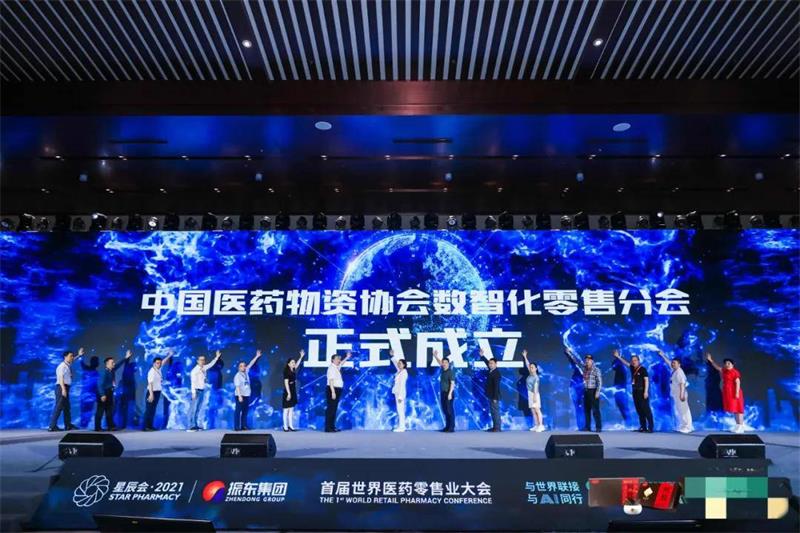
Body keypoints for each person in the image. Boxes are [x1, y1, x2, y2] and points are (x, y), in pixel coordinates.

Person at [612, 350, 654, 433]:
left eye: (635, 360)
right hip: (635, 392)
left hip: (642, 391)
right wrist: (618, 357)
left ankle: (650, 427)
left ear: (638, 361)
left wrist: (645, 392)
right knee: (639, 410)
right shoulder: (633, 369)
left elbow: (646, 380)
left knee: (646, 409)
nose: (633, 362)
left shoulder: (642, 369)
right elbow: (626, 363)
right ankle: (643, 427)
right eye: (632, 360)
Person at [706, 352, 745, 433]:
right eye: (726, 363)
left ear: (732, 364)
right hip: (728, 392)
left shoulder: (735, 372)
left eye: (729, 363)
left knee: (738, 409)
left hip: (734, 392)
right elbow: (717, 367)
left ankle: (741, 426)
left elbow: (738, 382)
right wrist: (710, 360)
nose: (727, 365)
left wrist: (737, 393)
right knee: (734, 409)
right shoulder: (724, 371)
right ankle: (737, 425)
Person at [565, 347, 602, 432]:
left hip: (593, 390)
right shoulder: (584, 368)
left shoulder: (596, 370)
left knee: (595, 410)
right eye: (586, 360)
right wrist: (569, 354)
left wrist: (598, 392)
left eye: (589, 360)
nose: (587, 361)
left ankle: (598, 427)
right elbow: (576, 362)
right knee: (587, 410)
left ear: (592, 361)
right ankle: (587, 427)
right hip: (585, 391)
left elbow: (599, 382)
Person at [95, 350, 133, 431]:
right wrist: (102, 394)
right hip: (103, 393)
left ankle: (110, 426)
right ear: (107, 364)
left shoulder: (111, 370)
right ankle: (97, 427)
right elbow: (100, 384)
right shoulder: (103, 372)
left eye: (113, 362)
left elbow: (119, 364)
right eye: (112, 362)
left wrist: (126, 358)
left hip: (109, 392)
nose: (114, 363)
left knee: (109, 410)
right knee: (100, 410)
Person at [48, 347, 84, 431]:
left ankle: (68, 425)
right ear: (65, 357)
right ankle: (52, 426)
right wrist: (63, 389)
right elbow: (60, 378)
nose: (72, 357)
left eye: (72, 356)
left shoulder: (67, 365)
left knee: (67, 408)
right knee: (59, 407)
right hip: (61, 387)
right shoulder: (62, 366)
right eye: (71, 356)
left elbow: (73, 360)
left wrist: (79, 355)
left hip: (66, 387)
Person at [657, 350, 693, 433]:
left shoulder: (679, 372)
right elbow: (668, 363)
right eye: (672, 363)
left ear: (679, 364)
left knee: (684, 410)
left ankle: (688, 427)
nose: (672, 364)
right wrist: (662, 355)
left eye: (674, 363)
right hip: (676, 394)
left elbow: (682, 384)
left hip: (680, 393)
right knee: (679, 410)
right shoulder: (674, 370)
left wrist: (681, 394)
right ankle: (682, 425)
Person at [188, 350, 222, 431]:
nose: (202, 361)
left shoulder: (203, 368)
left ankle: (195, 424)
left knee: (198, 408)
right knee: (194, 409)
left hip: (201, 390)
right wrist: (193, 393)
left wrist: (217, 357)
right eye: (201, 360)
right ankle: (191, 425)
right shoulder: (195, 371)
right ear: (197, 361)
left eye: (203, 360)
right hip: (196, 391)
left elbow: (211, 364)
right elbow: (193, 382)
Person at [143, 349, 174, 431]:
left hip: (157, 392)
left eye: (159, 363)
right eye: (157, 363)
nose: (159, 364)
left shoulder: (158, 369)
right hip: (152, 392)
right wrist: (151, 394)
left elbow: (163, 362)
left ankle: (150, 426)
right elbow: (150, 383)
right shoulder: (152, 372)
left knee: (153, 410)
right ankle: (146, 426)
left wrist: (169, 355)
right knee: (149, 410)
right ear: (154, 363)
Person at [234, 349, 263, 431]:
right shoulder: (237, 376)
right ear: (238, 368)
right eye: (241, 366)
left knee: (245, 411)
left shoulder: (246, 372)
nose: (243, 367)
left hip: (246, 395)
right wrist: (240, 396)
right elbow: (237, 387)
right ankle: (237, 427)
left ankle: (244, 426)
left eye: (244, 366)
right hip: (240, 395)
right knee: (238, 411)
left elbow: (251, 364)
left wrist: (257, 356)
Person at [325, 351, 353, 432]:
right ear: (332, 360)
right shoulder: (331, 368)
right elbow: (330, 381)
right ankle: (328, 428)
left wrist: (347, 357)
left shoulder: (336, 367)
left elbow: (342, 363)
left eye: (339, 359)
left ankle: (332, 427)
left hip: (337, 389)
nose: (339, 360)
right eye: (337, 359)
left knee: (334, 409)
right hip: (332, 389)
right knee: (331, 409)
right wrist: (333, 392)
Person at [476, 349, 502, 432]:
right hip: (490, 395)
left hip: (494, 396)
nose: (490, 364)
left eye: (492, 363)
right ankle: (495, 427)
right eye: (490, 363)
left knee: (495, 412)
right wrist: (482, 356)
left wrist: (495, 397)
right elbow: (486, 362)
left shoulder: (496, 373)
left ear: (496, 364)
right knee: (493, 411)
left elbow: (496, 386)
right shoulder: (491, 370)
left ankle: (497, 428)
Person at [282, 349, 306, 432]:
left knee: (291, 409)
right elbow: (286, 383)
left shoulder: (293, 370)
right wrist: (288, 393)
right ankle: (285, 426)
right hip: (288, 391)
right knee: (286, 410)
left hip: (293, 390)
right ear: (288, 364)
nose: (294, 363)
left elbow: (297, 364)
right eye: (292, 362)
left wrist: (301, 357)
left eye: (294, 362)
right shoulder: (286, 372)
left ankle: (291, 426)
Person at [432, 350, 456, 432]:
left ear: (448, 363)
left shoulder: (450, 372)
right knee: (445, 410)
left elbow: (452, 383)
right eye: (443, 362)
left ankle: (451, 427)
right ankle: (447, 426)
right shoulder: (443, 370)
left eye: (446, 362)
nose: (444, 364)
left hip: (449, 393)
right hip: (443, 393)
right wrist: (435, 356)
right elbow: (439, 362)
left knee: (449, 410)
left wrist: (450, 394)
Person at [521, 350, 544, 432]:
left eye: (532, 367)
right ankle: (536, 425)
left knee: (537, 410)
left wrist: (534, 397)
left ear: (536, 368)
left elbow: (536, 388)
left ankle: (541, 425)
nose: (531, 368)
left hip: (535, 394)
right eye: (530, 367)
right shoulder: (530, 374)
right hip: (530, 393)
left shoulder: (536, 377)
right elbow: (527, 364)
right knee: (533, 411)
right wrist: (525, 357)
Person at [390, 350, 408, 432]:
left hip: (400, 394)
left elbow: (402, 385)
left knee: (400, 410)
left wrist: (400, 396)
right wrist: (393, 356)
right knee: (399, 410)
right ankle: (401, 426)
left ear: (404, 365)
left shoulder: (404, 372)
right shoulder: (399, 371)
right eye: (399, 363)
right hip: (397, 392)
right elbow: (395, 362)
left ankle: (402, 427)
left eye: (400, 363)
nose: (398, 364)